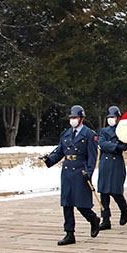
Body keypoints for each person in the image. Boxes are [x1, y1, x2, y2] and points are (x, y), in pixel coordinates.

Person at [42, 105, 101, 245]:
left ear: (82, 118)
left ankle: (93, 219)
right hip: (67, 170)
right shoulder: (66, 134)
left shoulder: (89, 134)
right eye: (71, 118)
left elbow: (92, 157)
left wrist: (89, 172)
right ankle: (69, 233)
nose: (73, 120)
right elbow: (60, 151)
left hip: (80, 170)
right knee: (67, 203)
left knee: (81, 203)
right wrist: (49, 159)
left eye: (75, 117)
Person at [96, 105, 127, 230]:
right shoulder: (104, 131)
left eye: (113, 117)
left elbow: (125, 144)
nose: (111, 119)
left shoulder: (123, 130)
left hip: (116, 163)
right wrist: (115, 146)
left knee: (116, 191)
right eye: (109, 117)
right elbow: (102, 143)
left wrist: (117, 146)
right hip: (105, 162)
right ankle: (105, 219)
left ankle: (125, 209)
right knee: (104, 192)